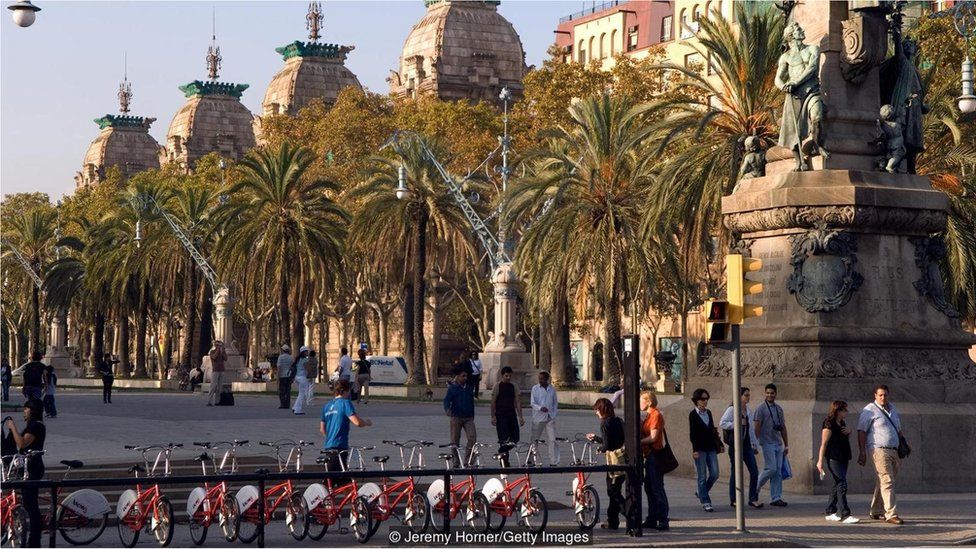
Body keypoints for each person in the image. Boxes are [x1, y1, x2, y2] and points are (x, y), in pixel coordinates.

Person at [775, 21, 827, 171]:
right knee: (792, 129)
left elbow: (812, 68)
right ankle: (798, 161)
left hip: (812, 91)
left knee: (817, 117)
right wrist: (783, 86)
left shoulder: (812, 49)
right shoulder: (785, 57)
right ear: (791, 36)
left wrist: (795, 82)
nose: (802, 30)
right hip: (794, 95)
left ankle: (817, 145)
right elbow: (778, 78)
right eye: (798, 30)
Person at [857, 384, 904, 525]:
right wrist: (862, 452)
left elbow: (899, 428)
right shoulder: (869, 410)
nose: (883, 397)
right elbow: (861, 431)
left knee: (884, 481)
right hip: (878, 449)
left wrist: (903, 443)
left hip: (894, 450)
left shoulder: (893, 409)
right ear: (875, 396)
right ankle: (891, 514)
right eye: (880, 395)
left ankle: (876, 510)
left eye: (885, 395)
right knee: (887, 480)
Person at [5, 399, 46, 547]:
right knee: (29, 503)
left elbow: (22, 443)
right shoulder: (33, 426)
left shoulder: (36, 426)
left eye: (26, 409)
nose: (24, 411)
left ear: (33, 410)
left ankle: (35, 541)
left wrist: (13, 427)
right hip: (26, 468)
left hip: (33, 469)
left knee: (31, 506)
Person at [320, 379, 372, 484]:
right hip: (340, 446)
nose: (349, 394)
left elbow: (322, 429)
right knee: (332, 480)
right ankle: (321, 498)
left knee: (342, 480)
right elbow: (357, 422)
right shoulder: (345, 403)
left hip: (329, 446)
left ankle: (349, 500)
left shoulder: (327, 406)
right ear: (344, 391)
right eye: (349, 391)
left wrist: (331, 435)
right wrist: (366, 422)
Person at [586, 398, 627, 530]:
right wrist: (597, 439)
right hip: (622, 459)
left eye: (597, 410)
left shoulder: (604, 423)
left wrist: (600, 448)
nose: (596, 413)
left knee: (613, 491)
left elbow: (608, 445)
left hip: (613, 460)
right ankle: (613, 521)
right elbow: (616, 440)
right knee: (615, 490)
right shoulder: (618, 420)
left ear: (602, 410)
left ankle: (629, 512)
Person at [817, 400, 859, 524]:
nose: (846, 412)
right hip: (833, 457)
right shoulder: (828, 423)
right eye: (844, 410)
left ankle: (830, 510)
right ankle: (844, 513)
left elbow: (843, 439)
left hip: (843, 456)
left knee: (837, 483)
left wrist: (849, 432)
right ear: (838, 410)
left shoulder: (842, 423)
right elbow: (823, 443)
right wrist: (820, 461)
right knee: (842, 483)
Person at [720, 387, 762, 508]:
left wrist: (755, 444)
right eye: (746, 395)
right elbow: (722, 423)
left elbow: (751, 430)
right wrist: (736, 424)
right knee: (736, 472)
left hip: (747, 444)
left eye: (749, 395)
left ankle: (753, 498)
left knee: (754, 471)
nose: (748, 397)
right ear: (739, 397)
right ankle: (734, 499)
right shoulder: (732, 409)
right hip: (736, 445)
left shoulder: (748, 410)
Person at [755, 383, 789, 507]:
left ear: (775, 394)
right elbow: (757, 426)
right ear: (765, 393)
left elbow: (783, 427)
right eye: (767, 393)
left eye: (772, 393)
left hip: (778, 443)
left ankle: (776, 497)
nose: (769, 395)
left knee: (778, 471)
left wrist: (786, 444)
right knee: (771, 468)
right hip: (766, 442)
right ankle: (755, 488)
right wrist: (756, 442)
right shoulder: (761, 409)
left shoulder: (779, 409)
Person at [689, 388, 722, 512]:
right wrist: (695, 449)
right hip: (700, 449)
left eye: (707, 399)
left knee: (715, 473)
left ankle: (701, 492)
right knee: (702, 476)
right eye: (703, 399)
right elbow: (693, 433)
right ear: (697, 401)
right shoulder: (693, 414)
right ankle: (705, 501)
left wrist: (719, 443)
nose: (705, 401)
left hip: (711, 448)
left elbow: (713, 430)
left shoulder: (708, 413)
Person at [639, 391, 669, 531]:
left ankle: (663, 519)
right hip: (649, 455)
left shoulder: (655, 415)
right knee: (649, 487)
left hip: (655, 455)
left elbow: (653, 437)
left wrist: (638, 442)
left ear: (649, 402)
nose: (640, 403)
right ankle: (652, 518)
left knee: (657, 488)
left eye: (642, 400)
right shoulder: (648, 416)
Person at [490, 366, 523, 467]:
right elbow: (493, 402)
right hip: (501, 415)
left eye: (510, 376)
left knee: (515, 437)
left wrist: (520, 416)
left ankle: (501, 450)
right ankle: (504, 460)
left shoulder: (514, 386)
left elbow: (517, 401)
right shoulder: (497, 386)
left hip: (511, 415)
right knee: (504, 439)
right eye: (506, 376)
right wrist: (493, 416)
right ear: (502, 375)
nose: (508, 378)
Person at [443, 367, 476, 468]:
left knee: (472, 438)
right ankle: (456, 461)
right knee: (454, 440)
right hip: (456, 416)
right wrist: (447, 409)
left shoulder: (469, 388)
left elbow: (472, 402)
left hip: (468, 417)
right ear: (457, 377)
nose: (465, 378)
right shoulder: (453, 388)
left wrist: (472, 414)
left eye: (466, 376)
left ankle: (468, 461)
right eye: (463, 376)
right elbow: (446, 400)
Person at [530, 371, 560, 466]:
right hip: (538, 418)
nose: (540, 380)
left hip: (550, 417)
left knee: (552, 439)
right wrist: (540, 408)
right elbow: (532, 403)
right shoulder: (535, 388)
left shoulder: (552, 389)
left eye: (542, 379)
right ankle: (531, 459)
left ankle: (553, 461)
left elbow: (555, 403)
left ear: (547, 379)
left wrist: (553, 414)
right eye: (539, 378)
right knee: (535, 439)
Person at [207, 340, 227, 407]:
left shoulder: (222, 351)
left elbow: (226, 358)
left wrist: (223, 351)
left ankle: (217, 401)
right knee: (213, 386)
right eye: (217, 344)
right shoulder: (212, 352)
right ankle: (209, 401)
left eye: (219, 344)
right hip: (215, 371)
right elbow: (214, 357)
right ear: (215, 345)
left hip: (222, 371)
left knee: (219, 387)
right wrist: (218, 349)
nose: (219, 345)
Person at [292, 347, 312, 415]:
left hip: (297, 377)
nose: (307, 352)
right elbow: (308, 369)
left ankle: (295, 407)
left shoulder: (298, 359)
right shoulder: (305, 360)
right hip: (302, 378)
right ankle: (298, 409)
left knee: (300, 393)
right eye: (306, 351)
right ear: (304, 352)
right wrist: (310, 375)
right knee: (302, 394)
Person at [276, 345, 294, 409]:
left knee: (282, 391)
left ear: (283, 350)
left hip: (282, 376)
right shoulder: (291, 358)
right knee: (288, 391)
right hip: (289, 376)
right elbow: (292, 368)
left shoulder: (280, 357)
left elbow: (279, 367)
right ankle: (287, 404)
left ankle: (282, 404)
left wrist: (277, 377)